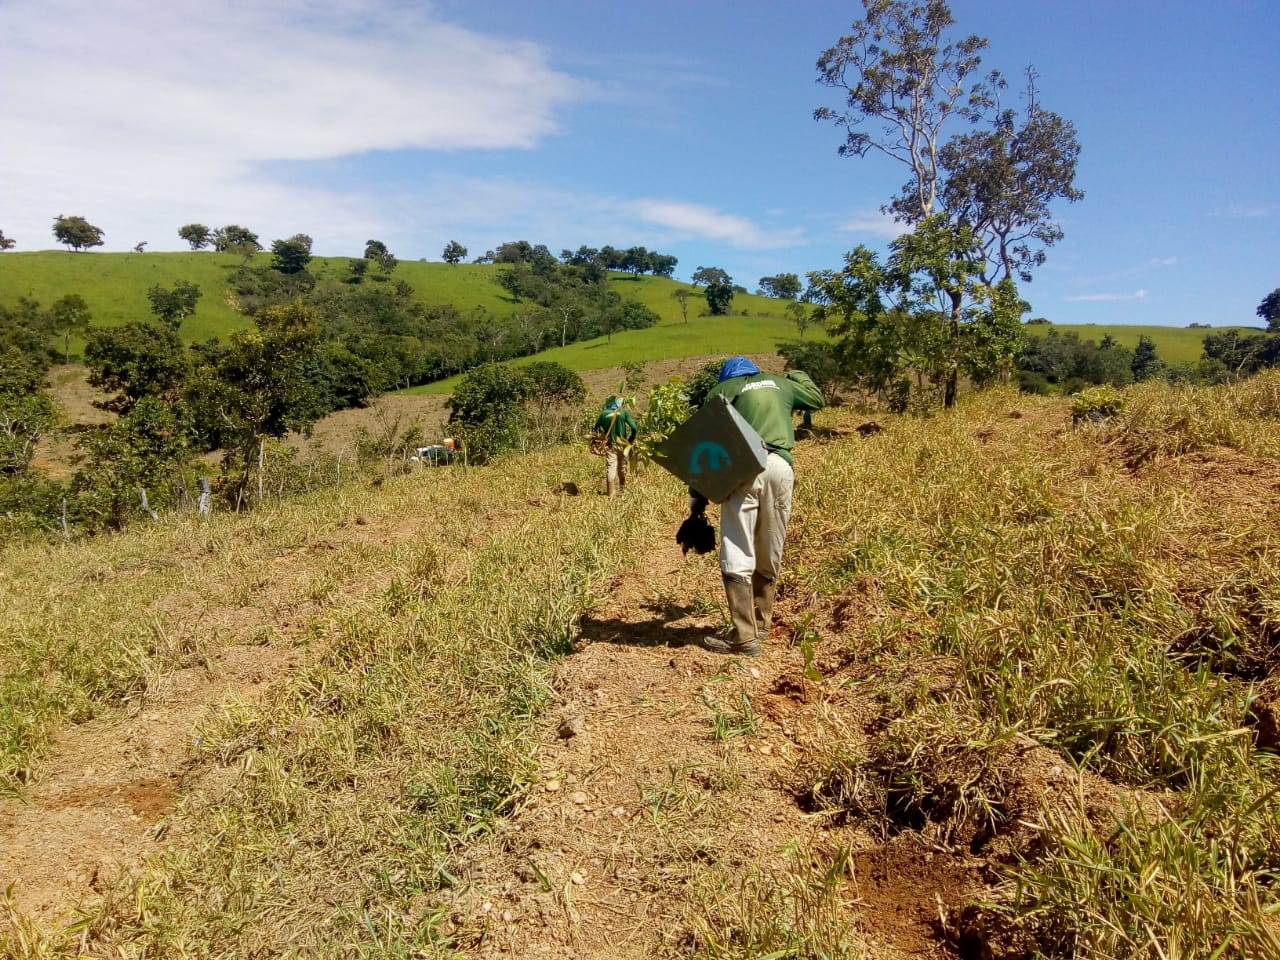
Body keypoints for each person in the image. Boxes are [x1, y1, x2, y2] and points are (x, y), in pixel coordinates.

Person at [690, 356, 824, 656]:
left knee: (737, 546)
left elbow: (705, 446)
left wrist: (697, 496)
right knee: (770, 543)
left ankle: (744, 636)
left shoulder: (723, 390)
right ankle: (762, 624)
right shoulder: (781, 384)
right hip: (780, 466)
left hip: (743, 467)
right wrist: (796, 372)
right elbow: (816, 399)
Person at [592, 395, 638, 497]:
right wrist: (631, 439)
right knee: (622, 467)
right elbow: (634, 427)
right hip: (623, 444)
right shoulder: (623, 412)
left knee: (611, 467)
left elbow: (595, 429)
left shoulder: (603, 414)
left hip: (610, 445)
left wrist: (603, 436)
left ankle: (610, 493)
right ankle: (622, 490)